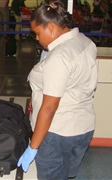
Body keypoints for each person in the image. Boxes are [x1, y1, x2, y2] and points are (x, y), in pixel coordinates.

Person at [17, 1, 97, 179]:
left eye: (38, 33)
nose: (37, 38)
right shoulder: (84, 41)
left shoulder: (59, 57)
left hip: (57, 133)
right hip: (83, 127)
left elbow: (49, 108)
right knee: (66, 174)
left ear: (51, 28)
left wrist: (33, 147)